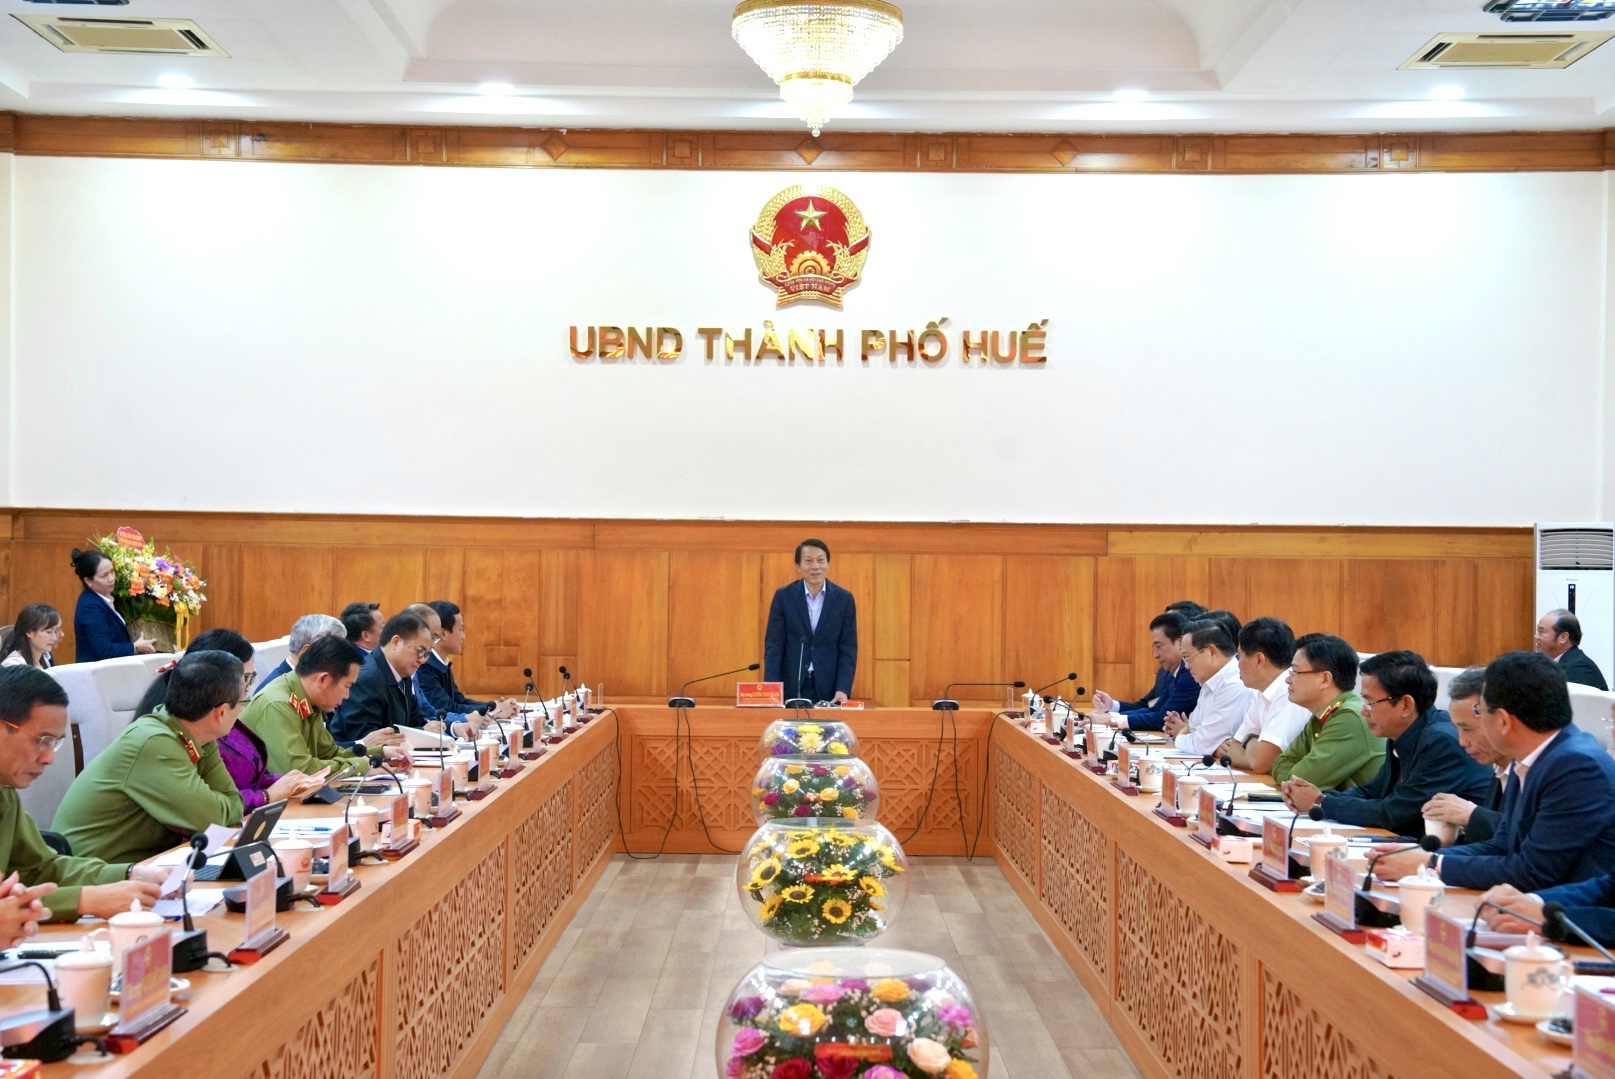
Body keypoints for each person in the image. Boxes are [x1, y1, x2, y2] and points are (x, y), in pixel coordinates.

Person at [1372, 651, 1615, 890]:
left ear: (1502, 720)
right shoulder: (1530, 759)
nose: (1461, 740)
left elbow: (1533, 872)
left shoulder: (1576, 767)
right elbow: (1501, 846)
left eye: (1480, 712)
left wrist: (1431, 864)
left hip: (1567, 910)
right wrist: (1419, 856)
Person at [0, 667, 166, 922]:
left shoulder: (5, 792)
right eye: (42, 740)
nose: (49, 758)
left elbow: (40, 869)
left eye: (54, 743)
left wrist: (130, 874)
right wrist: (83, 900)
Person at [53, 651, 247, 864]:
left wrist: (210, 810)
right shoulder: (154, 742)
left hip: (144, 867)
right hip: (98, 872)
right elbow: (212, 819)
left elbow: (233, 801)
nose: (242, 709)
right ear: (221, 712)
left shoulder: (198, 736)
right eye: (242, 701)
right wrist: (211, 809)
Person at [1281, 651, 1492, 838]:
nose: (1363, 711)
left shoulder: (1442, 742)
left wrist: (1321, 802)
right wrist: (1317, 797)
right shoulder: (1402, 733)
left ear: (1406, 705)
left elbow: (1395, 813)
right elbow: (1373, 791)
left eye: (1369, 702)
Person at [136, 629, 315, 812]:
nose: (247, 688)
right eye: (246, 678)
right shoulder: (174, 735)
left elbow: (235, 789)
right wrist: (266, 796)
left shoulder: (212, 725)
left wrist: (285, 782)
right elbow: (206, 809)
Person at [244, 635, 406, 776]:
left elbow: (329, 753)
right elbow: (298, 772)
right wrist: (362, 766)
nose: (347, 695)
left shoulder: (308, 699)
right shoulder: (278, 705)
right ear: (323, 679)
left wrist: (379, 753)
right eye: (347, 686)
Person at [1271, 633, 1384, 790]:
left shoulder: (1349, 718)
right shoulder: (1323, 715)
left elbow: (1303, 781)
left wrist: (1291, 777)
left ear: (1325, 679)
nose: (1288, 680)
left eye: (1295, 672)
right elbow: (1280, 763)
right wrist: (1291, 777)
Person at [762, 539, 858, 704]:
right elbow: (774, 645)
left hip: (829, 686)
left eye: (820, 560)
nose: (815, 567)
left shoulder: (843, 599)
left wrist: (843, 688)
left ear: (828, 564)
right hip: (792, 683)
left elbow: (848, 648)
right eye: (808, 561)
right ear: (798, 566)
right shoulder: (783, 597)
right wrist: (771, 688)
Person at [1421, 668, 1509, 844]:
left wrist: (1472, 815)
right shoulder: (1499, 767)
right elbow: (1495, 847)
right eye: (1458, 729)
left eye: (1467, 729)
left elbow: (1525, 839)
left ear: (1502, 720)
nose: (1462, 741)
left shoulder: (1544, 770)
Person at [1216, 617, 1310, 775]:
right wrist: (1255, 749)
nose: (1238, 664)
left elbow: (1261, 763)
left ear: (1259, 660)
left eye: (1240, 656)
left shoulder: (1289, 691)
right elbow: (1232, 752)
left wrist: (1249, 740)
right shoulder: (1263, 691)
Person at [329, 611, 435, 743]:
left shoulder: (403, 675)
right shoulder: (366, 679)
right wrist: (423, 731)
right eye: (420, 651)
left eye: (426, 655)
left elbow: (418, 718)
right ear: (396, 642)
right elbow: (369, 739)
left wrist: (432, 726)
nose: (422, 660)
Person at [1091, 612, 1200, 731]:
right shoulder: (1174, 672)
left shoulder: (1189, 674)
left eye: (1159, 646)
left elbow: (1162, 719)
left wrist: (1112, 720)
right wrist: (1110, 715)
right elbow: (1154, 710)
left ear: (1180, 642)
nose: (1155, 655)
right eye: (1154, 647)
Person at [420, 601, 518, 725]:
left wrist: (493, 706)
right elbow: (446, 708)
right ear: (442, 633)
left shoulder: (441, 663)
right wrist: (495, 710)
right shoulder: (424, 666)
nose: (463, 636)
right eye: (460, 630)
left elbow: (460, 701)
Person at [1164, 620, 1252, 756]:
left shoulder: (1234, 685)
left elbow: (1201, 744)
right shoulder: (1209, 682)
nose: (1186, 666)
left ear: (1211, 651)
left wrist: (1181, 735)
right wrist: (1209, 745)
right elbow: (1195, 731)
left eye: (1187, 657)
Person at [70, 548, 155, 662]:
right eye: (104, 575)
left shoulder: (107, 596)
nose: (111, 578)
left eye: (112, 571)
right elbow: (103, 649)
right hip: (97, 671)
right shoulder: (90, 607)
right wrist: (135, 647)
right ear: (88, 581)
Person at [255, 613, 346, 692]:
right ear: (307, 652)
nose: (339, 659)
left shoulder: (310, 679)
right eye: (333, 651)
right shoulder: (275, 689)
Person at [1534, 609, 1608, 690]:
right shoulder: (1556, 663)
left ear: (1563, 638)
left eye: (1541, 632)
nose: (1536, 637)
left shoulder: (1578, 668)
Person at [0, 605, 62, 669]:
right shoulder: (14, 664)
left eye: (55, 631)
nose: (54, 638)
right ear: (29, 632)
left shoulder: (45, 661)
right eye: (49, 632)